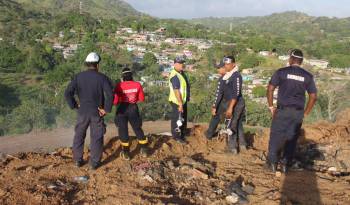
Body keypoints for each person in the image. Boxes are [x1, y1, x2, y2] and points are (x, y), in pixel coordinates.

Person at [266, 49, 317, 173]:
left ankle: (272, 164)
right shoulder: (307, 76)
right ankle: (285, 165)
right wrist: (306, 113)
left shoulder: (281, 72)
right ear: (301, 61)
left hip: (282, 111)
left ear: (291, 59)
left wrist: (271, 106)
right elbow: (313, 96)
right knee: (291, 138)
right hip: (297, 113)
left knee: (275, 136)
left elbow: (270, 89)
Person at [64, 52, 114, 170]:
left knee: (79, 135)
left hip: (82, 111)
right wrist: (106, 109)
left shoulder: (78, 77)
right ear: (98, 64)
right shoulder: (102, 77)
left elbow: (67, 93)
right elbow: (110, 94)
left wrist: (75, 105)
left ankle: (77, 160)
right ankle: (94, 163)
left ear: (87, 64)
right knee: (96, 136)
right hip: (96, 112)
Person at [113, 68, 147, 160]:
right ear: (131, 76)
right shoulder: (137, 85)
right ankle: (144, 150)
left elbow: (115, 101)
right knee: (137, 128)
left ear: (123, 77)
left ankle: (126, 152)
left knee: (123, 130)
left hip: (122, 109)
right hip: (133, 108)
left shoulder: (119, 86)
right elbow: (142, 99)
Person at [222, 56, 247, 154]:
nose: (226, 66)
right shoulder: (229, 75)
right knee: (238, 124)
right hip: (233, 103)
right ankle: (242, 144)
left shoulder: (236, 76)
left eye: (228, 64)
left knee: (231, 125)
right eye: (225, 64)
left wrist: (230, 108)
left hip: (236, 103)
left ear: (234, 64)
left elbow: (236, 94)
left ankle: (232, 148)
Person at [168, 56, 190, 144]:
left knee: (183, 118)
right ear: (175, 64)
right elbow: (176, 90)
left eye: (182, 63)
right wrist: (180, 104)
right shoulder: (175, 75)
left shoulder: (181, 73)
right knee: (177, 119)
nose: (182, 65)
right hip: (177, 101)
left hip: (182, 101)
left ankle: (182, 134)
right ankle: (176, 137)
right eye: (180, 63)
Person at [205, 60, 227, 139]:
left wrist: (214, 106)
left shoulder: (222, 79)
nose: (218, 70)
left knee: (215, 116)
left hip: (224, 102)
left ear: (224, 68)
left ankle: (209, 134)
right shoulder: (233, 77)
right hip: (232, 102)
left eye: (219, 68)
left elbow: (219, 94)